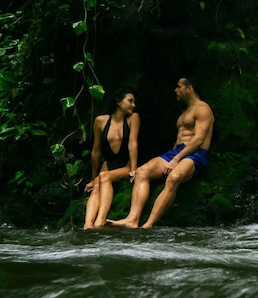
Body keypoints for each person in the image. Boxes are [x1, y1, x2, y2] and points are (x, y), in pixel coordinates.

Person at [108, 77, 214, 229]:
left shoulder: (203, 109)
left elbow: (198, 140)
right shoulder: (185, 112)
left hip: (195, 154)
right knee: (142, 172)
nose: (175, 90)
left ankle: (148, 225)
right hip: (176, 152)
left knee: (174, 177)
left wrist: (176, 159)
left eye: (179, 87)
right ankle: (132, 219)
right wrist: (170, 158)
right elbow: (178, 140)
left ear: (189, 89)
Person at [83, 88, 141, 229]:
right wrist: (93, 177)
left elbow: (133, 144)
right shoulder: (100, 121)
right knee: (96, 186)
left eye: (134, 102)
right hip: (107, 165)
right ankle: (88, 225)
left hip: (125, 166)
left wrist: (133, 169)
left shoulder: (134, 118)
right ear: (118, 102)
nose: (133, 105)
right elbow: (96, 151)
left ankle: (100, 221)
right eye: (130, 101)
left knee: (105, 177)